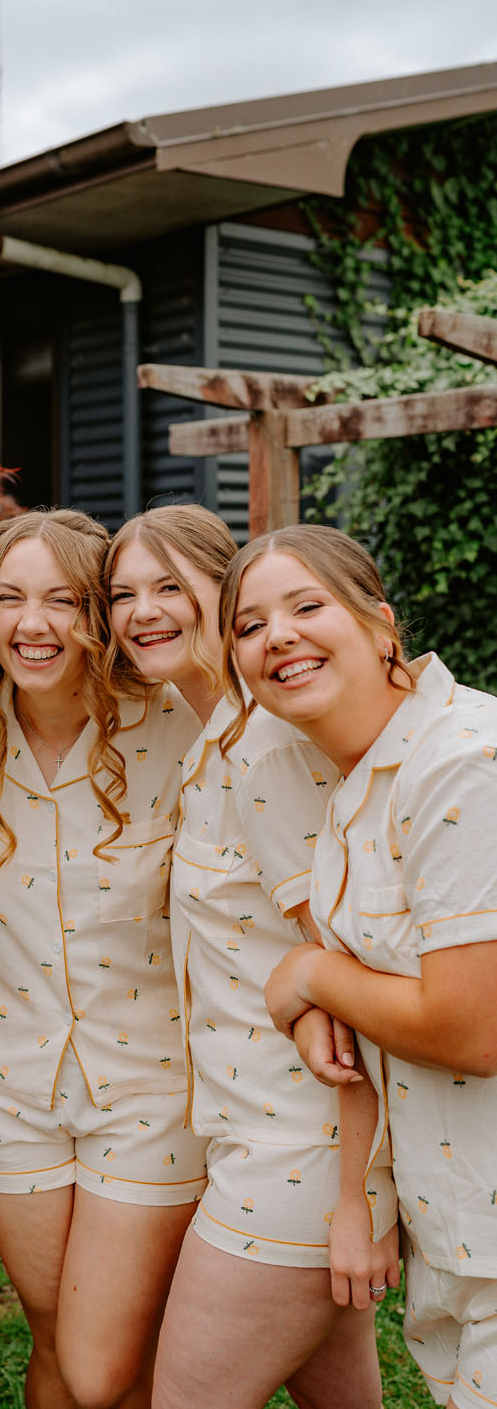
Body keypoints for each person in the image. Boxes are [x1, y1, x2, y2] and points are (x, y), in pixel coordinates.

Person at [104, 506, 396, 1409]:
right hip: (259, 1133)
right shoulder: (218, 738)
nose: (142, 612)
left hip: (295, 1155)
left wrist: (357, 1202)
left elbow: (356, 980)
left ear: (224, 597)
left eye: (168, 587)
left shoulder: (268, 751)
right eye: (121, 594)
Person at [0, 508, 206, 1409]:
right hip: (1, 1079)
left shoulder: (177, 725)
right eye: (9, 598)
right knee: (61, 1338)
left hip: (151, 1084)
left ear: (98, 611)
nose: (31, 624)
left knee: (100, 1360)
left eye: (60, 599)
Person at [223, 524, 497, 1409]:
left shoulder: (461, 766)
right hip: (456, 1216)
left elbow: (470, 1027)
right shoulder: (354, 786)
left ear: (383, 624)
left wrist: (308, 977)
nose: (279, 637)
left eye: (307, 606)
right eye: (250, 625)